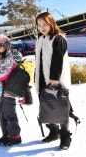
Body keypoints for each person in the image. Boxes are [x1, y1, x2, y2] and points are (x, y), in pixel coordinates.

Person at [35, 12, 72, 150]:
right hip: (42, 81)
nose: (42, 27)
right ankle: (53, 131)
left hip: (56, 81)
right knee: (46, 108)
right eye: (39, 25)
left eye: (45, 24)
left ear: (51, 23)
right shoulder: (40, 40)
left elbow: (58, 59)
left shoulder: (58, 38)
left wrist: (54, 79)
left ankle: (65, 137)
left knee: (61, 109)